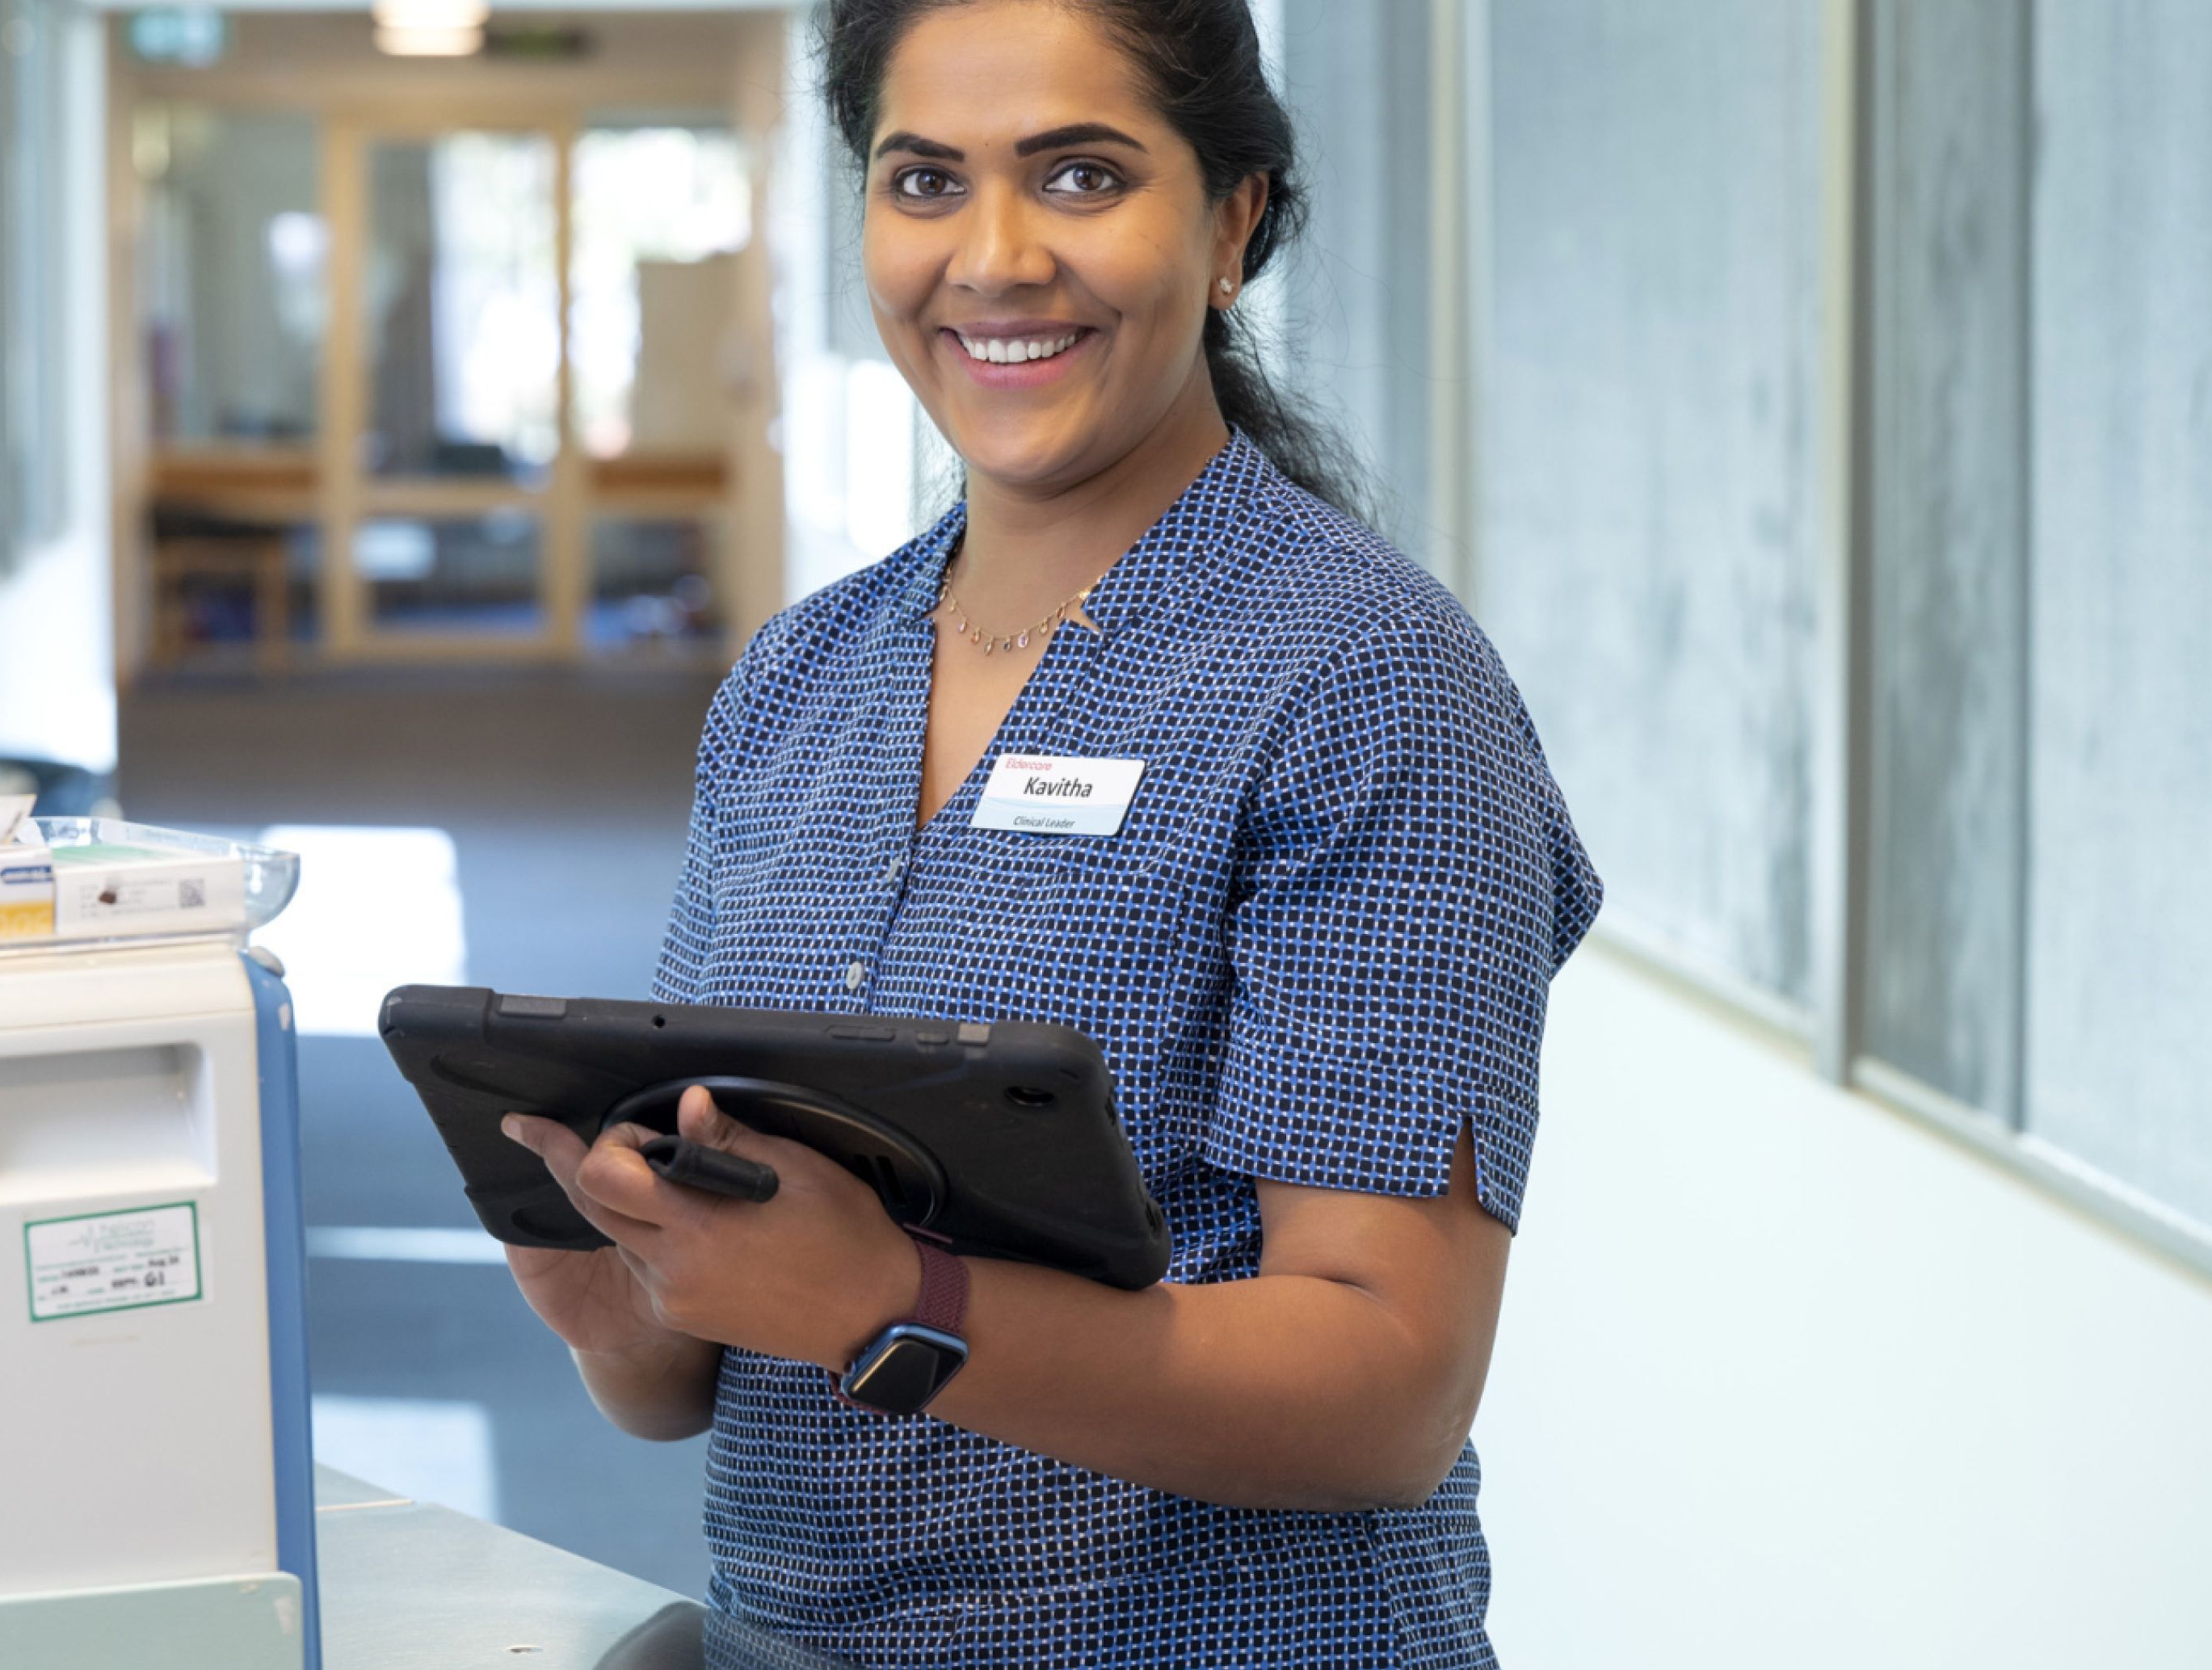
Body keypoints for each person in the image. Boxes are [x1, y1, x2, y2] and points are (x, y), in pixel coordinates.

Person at [494, 1, 1603, 1664]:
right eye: (925, 180)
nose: (994, 257)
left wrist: (894, 1297)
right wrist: (615, 1285)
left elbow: (1388, 1386)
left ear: (1233, 221)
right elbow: (689, 1379)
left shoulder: (1362, 680)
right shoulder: (799, 679)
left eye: (1081, 176)